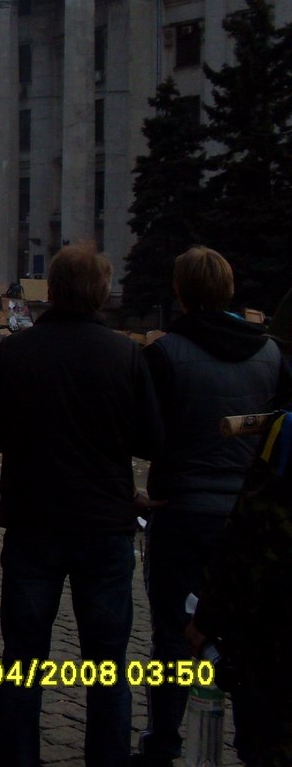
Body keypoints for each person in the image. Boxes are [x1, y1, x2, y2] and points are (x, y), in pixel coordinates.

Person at [0, 243, 164, 767]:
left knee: (23, 661)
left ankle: (17, 758)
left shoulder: (19, 351)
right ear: (102, 292)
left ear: (50, 290)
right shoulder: (125, 354)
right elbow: (151, 440)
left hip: (35, 523)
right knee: (108, 665)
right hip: (104, 526)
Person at [134, 247, 290, 766]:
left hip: (181, 508)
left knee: (170, 632)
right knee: (248, 631)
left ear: (181, 292)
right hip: (247, 516)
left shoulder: (165, 352)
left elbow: (147, 435)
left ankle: (163, 740)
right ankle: (252, 743)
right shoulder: (272, 355)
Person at [186, 410, 292, 766]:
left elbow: (252, 534)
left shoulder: (286, 430)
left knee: (270, 739)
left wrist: (207, 619)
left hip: (277, 637)